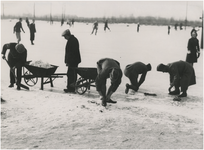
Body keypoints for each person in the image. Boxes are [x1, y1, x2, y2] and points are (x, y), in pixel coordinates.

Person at [62, 29, 81, 93]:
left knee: (71, 74)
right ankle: (70, 87)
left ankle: (71, 88)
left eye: (65, 36)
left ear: (68, 35)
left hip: (73, 61)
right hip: (72, 61)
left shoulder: (73, 41)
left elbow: (71, 53)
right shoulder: (71, 40)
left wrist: (68, 62)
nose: (64, 38)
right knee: (70, 74)